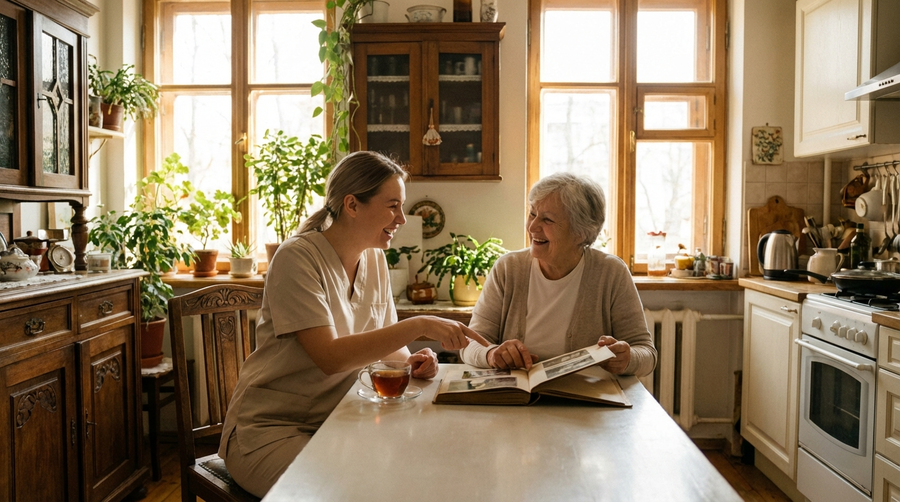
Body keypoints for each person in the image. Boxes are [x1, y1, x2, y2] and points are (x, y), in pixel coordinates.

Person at [219, 151, 488, 497]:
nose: (401, 219)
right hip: (272, 429)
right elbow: (330, 357)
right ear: (352, 205)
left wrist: (412, 362)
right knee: (348, 491)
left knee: (412, 472)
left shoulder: (374, 259)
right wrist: (419, 324)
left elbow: (388, 348)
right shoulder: (296, 257)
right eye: (393, 206)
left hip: (339, 420)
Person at [458, 172, 657, 376]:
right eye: (532, 214)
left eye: (547, 220)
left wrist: (627, 359)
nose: (532, 227)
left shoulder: (611, 272)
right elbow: (471, 343)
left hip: (587, 394)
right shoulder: (508, 268)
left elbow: (646, 353)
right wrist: (491, 354)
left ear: (580, 232)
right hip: (518, 392)